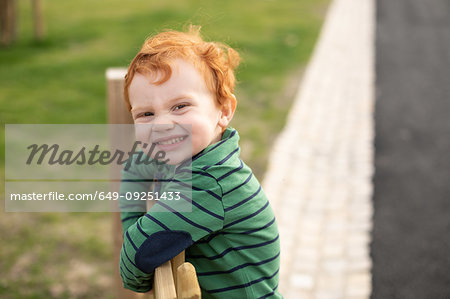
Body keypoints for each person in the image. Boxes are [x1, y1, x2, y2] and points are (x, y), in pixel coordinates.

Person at [119, 26, 282, 298]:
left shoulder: (209, 181)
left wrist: (134, 249)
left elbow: (138, 253)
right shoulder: (189, 154)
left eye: (180, 106)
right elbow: (136, 166)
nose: (161, 125)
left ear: (224, 111)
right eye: (146, 114)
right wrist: (134, 225)